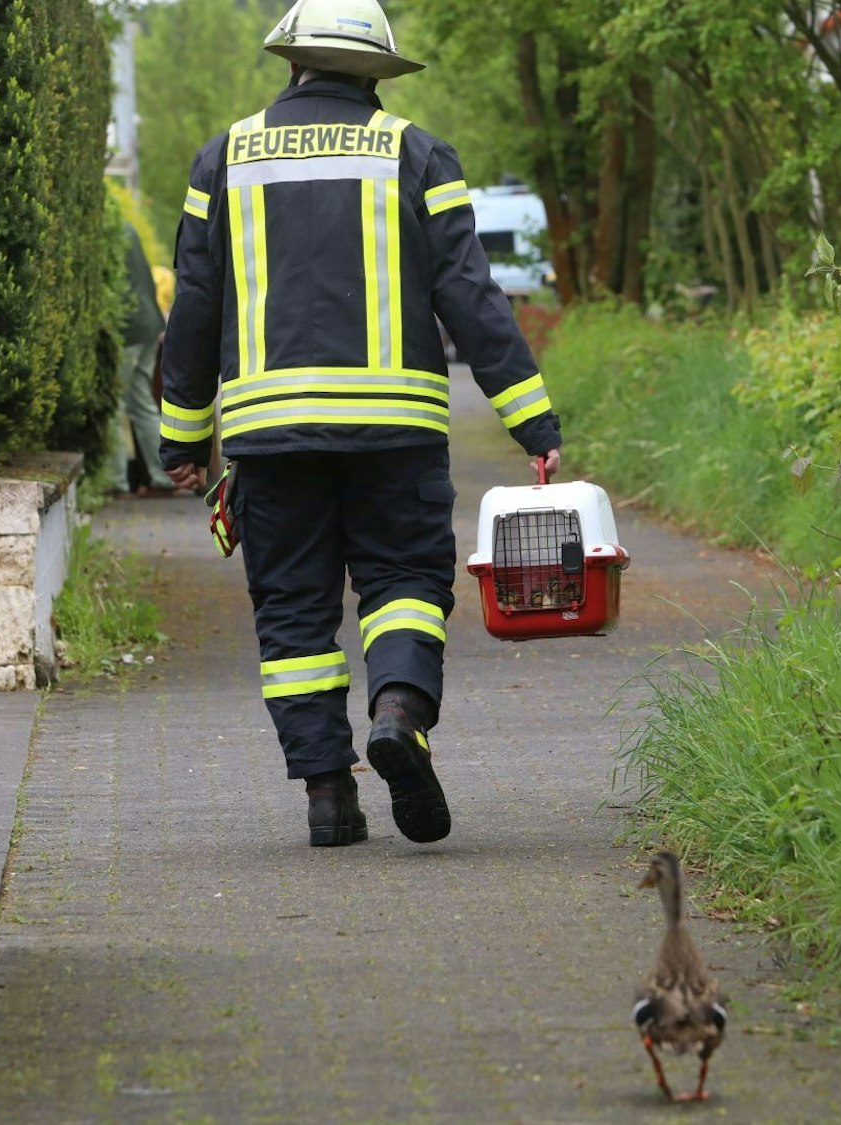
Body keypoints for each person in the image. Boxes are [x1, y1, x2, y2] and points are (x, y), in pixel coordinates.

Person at [157, 0, 563, 848]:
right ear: (376, 74)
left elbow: (194, 310)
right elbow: (471, 298)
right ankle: (399, 714)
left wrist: (185, 439)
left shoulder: (223, 158)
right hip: (398, 433)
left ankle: (327, 797)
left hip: (270, 440)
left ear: (292, 64)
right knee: (405, 582)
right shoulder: (416, 152)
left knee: (295, 615)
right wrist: (531, 419)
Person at [111, 221, 174, 496]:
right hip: (149, 325)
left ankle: (114, 480)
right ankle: (165, 476)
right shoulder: (127, 229)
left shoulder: (105, 231)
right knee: (141, 402)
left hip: (129, 329)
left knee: (111, 404)